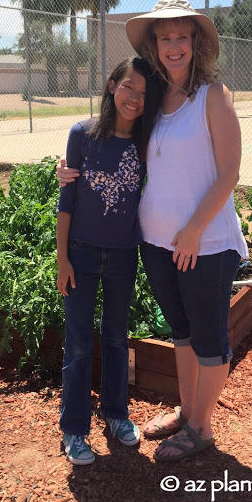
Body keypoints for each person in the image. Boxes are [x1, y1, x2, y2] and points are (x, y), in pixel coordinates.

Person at [58, 0, 248, 463]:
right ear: (156, 46)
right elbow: (120, 152)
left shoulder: (213, 95)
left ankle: (201, 427)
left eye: (182, 36)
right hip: (157, 244)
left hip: (203, 243)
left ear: (196, 41)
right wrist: (68, 170)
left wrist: (193, 229)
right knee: (181, 332)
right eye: (165, 38)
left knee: (209, 338)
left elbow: (229, 173)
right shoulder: (155, 102)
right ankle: (186, 412)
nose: (174, 46)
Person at [56, 56, 162, 465]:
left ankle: (116, 414)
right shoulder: (82, 135)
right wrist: (62, 258)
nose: (134, 98)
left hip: (123, 255)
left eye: (143, 92)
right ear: (111, 85)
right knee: (79, 343)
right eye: (128, 87)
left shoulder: (146, 140)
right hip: (80, 254)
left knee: (117, 337)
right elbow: (66, 203)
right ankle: (74, 429)